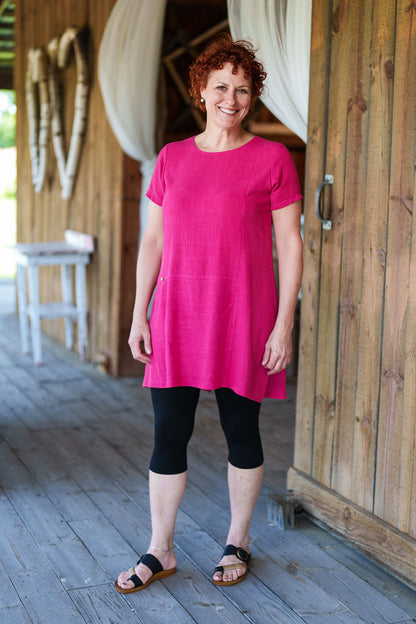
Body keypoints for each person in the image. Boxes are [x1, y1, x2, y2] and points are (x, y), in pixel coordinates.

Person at [115, 33, 303, 594]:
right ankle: (161, 548)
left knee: (241, 432)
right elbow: (152, 243)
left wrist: (283, 324)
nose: (231, 97)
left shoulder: (272, 158)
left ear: (252, 97)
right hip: (176, 315)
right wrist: (138, 314)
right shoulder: (171, 159)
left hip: (244, 318)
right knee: (167, 435)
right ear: (201, 90)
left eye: (242, 89)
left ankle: (237, 541)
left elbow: (291, 245)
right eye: (221, 85)